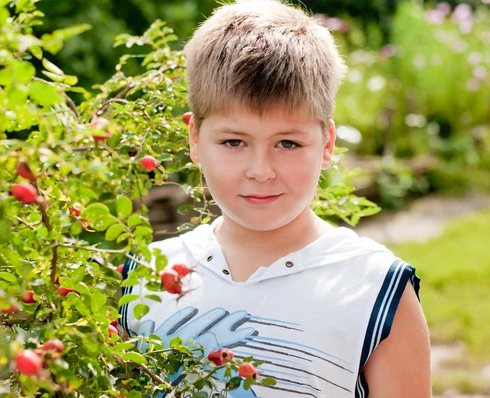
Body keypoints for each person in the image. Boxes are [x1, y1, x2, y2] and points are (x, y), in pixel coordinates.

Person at [118, 0, 431, 396]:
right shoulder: (147, 275)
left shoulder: (376, 288)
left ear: (327, 143)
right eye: (234, 141)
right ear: (195, 139)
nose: (261, 170)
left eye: (287, 142)